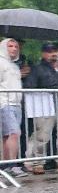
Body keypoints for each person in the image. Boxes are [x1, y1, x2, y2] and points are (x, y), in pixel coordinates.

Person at [21, 42, 58, 173]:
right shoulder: (36, 69)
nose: (53, 53)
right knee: (41, 136)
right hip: (44, 107)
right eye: (49, 51)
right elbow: (30, 87)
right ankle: (38, 163)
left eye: (55, 50)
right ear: (43, 54)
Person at [0, 38, 25, 177]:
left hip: (16, 103)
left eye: (16, 46)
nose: (14, 49)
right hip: (5, 102)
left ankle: (5, 165)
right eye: (10, 46)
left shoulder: (15, 65)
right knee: (14, 133)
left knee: (7, 135)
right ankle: (13, 165)